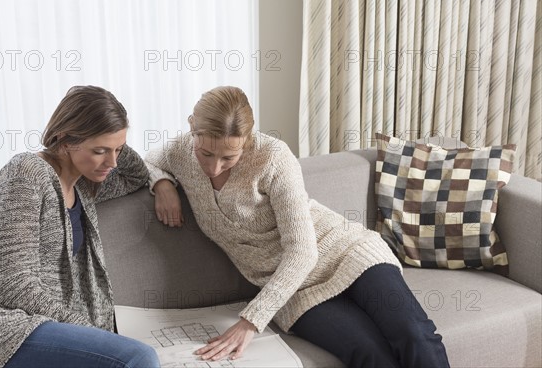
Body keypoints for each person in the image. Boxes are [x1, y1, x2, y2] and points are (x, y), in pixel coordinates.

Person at [146, 86, 450, 368]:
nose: (213, 167)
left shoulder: (273, 157)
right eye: (206, 154)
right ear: (191, 127)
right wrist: (162, 184)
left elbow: (303, 252)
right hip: (290, 290)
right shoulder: (180, 152)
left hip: (346, 253)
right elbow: (145, 160)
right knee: (369, 352)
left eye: (229, 157)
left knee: (413, 334)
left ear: (248, 140)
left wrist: (251, 321)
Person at [0, 86, 160, 368]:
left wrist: (112, 133)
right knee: (138, 357)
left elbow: (136, 175)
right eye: (100, 151)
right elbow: (10, 282)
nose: (113, 162)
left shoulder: (84, 185)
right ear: (66, 141)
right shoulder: (26, 174)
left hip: (39, 324)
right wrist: (83, 327)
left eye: (117, 149)